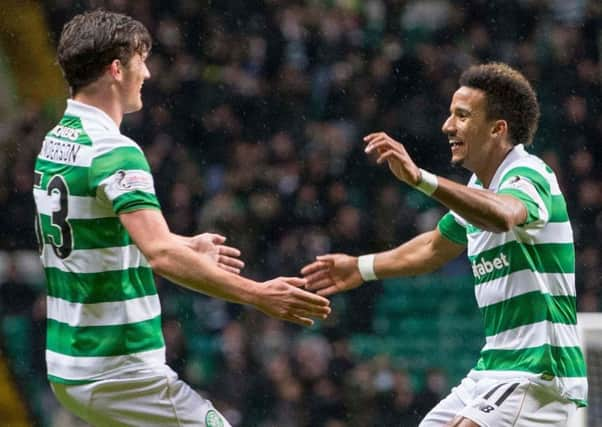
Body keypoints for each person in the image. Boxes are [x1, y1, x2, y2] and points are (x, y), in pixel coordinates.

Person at [32, 9, 330, 427]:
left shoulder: (56, 141)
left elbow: (94, 235)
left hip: (70, 361)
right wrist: (257, 294)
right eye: (142, 61)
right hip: (118, 366)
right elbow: (160, 256)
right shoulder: (115, 151)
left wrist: (185, 244)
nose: (148, 75)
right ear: (117, 69)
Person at [302, 62, 587, 426]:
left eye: (462, 116)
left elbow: (505, 214)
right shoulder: (477, 190)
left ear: (498, 128)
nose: (447, 126)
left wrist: (420, 178)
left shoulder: (527, 173)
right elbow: (434, 247)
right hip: (496, 368)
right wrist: (362, 267)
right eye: (450, 114)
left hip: (539, 371)